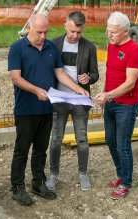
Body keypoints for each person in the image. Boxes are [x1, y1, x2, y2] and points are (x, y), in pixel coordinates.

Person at [8, 13, 89, 206]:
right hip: (26, 109)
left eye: (46, 32)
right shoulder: (17, 48)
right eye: (39, 32)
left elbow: (59, 73)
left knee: (40, 149)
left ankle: (38, 183)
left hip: (46, 108)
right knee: (22, 150)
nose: (43, 36)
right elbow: (15, 78)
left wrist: (78, 89)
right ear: (29, 28)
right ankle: (17, 187)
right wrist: (36, 90)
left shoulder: (51, 47)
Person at [93, 11, 138, 199]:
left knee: (123, 144)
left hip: (127, 105)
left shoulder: (135, 50)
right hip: (111, 103)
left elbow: (130, 83)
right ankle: (120, 173)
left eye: (113, 32)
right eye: (108, 31)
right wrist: (104, 98)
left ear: (125, 31)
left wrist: (108, 95)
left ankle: (126, 182)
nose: (110, 35)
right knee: (110, 140)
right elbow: (112, 75)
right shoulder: (112, 46)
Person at [46, 11, 99, 191]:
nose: (75, 35)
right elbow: (49, 71)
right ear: (65, 26)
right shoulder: (54, 45)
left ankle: (83, 174)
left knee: (82, 139)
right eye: (72, 32)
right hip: (59, 100)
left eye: (79, 32)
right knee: (56, 139)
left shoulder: (89, 47)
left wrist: (88, 78)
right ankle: (53, 174)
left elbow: (95, 73)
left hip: (80, 101)